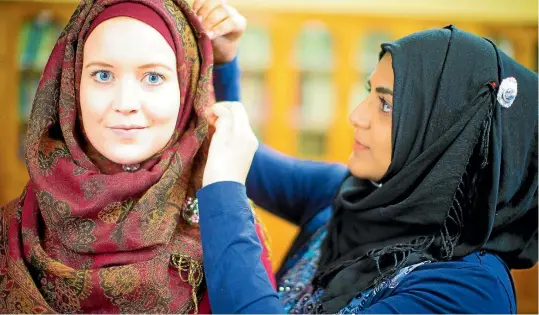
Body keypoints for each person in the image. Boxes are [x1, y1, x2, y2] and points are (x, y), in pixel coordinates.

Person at [198, 5, 538, 313]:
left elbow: (235, 173)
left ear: (445, 136)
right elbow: (250, 165)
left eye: (386, 105)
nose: (357, 116)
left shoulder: (468, 292)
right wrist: (224, 60)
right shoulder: (354, 195)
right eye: (369, 93)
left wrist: (224, 192)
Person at [0, 0, 274, 313]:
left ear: (187, 90)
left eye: (153, 77)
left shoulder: (225, 222)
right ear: (71, 85)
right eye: (103, 75)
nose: (126, 102)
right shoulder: (17, 226)